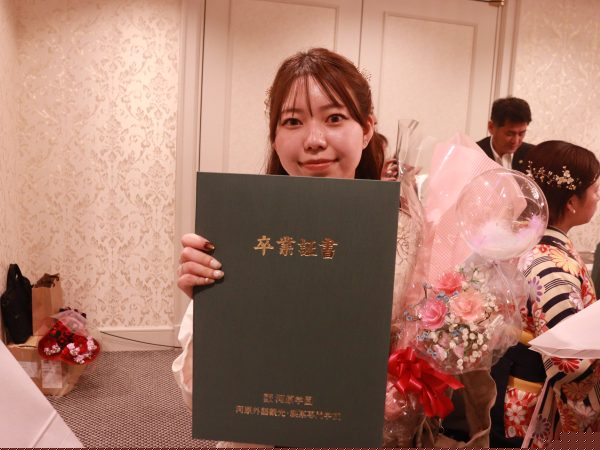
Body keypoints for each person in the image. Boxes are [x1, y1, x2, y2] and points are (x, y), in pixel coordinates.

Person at [172, 47, 386, 446]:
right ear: (274, 137)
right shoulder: (239, 236)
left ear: (367, 128)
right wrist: (214, 311)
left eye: (334, 118)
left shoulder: (405, 243)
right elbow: (199, 399)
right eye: (293, 121)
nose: (314, 140)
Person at [490, 140, 600, 447]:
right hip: (534, 401)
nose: (598, 197)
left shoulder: (524, 242)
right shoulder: (550, 263)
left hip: (513, 386)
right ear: (572, 202)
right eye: (595, 190)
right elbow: (568, 359)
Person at [477, 97, 533, 171]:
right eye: (510, 134)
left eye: (521, 134)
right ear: (491, 127)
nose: (516, 141)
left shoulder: (533, 155)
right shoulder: (475, 153)